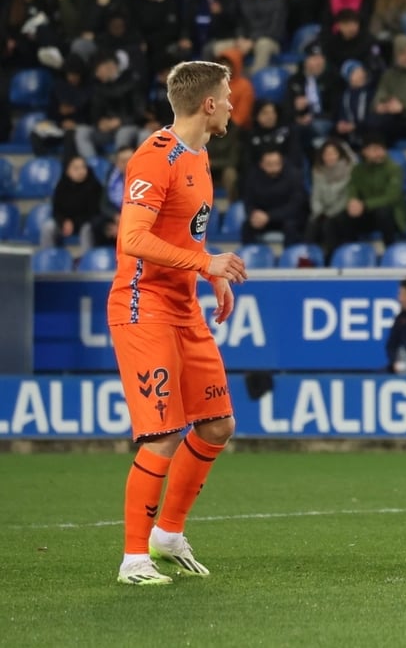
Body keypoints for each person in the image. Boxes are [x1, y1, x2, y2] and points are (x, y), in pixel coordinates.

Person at [108, 60, 249, 585]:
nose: (234, 104)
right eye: (228, 95)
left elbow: (184, 234)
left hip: (184, 305)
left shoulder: (201, 154)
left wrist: (210, 274)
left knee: (217, 424)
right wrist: (206, 264)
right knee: (163, 434)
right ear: (208, 103)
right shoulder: (154, 158)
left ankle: (168, 534)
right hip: (143, 305)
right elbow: (134, 239)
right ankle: (133, 559)